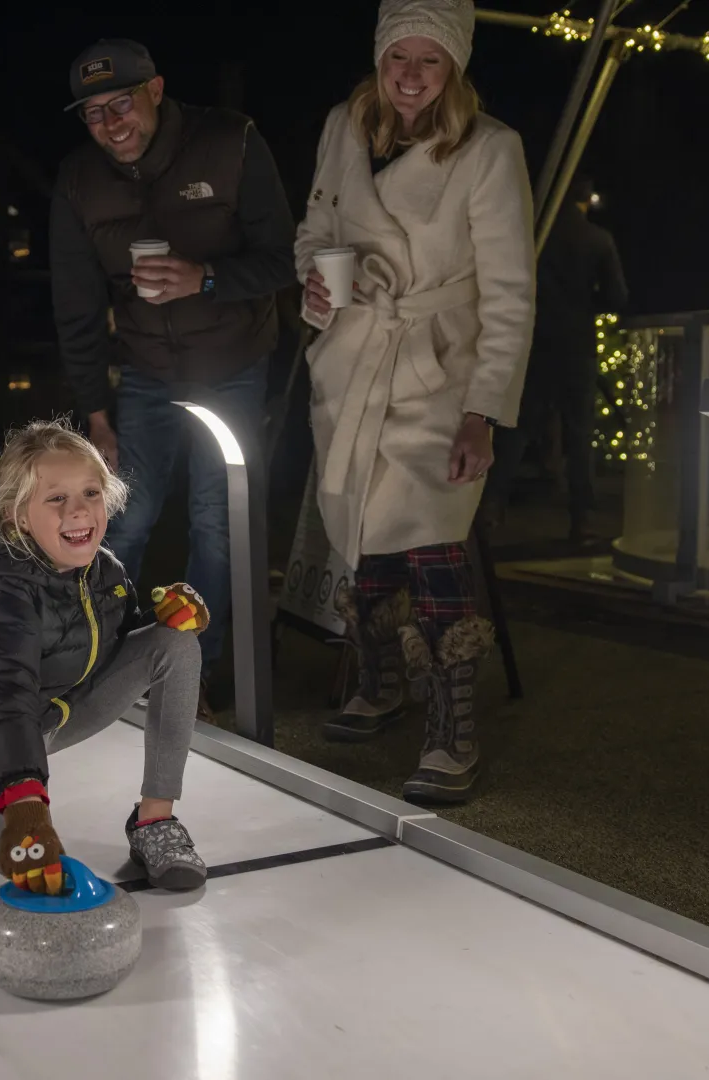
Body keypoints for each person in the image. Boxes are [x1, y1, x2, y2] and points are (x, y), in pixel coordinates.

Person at [293, 0, 536, 805]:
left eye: (430, 61)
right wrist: (315, 287)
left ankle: (453, 729)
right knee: (361, 530)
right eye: (400, 56)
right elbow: (316, 226)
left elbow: (510, 293)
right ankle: (381, 681)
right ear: (380, 57)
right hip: (353, 357)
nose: (411, 76)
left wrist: (483, 412)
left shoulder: (489, 149)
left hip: (439, 370)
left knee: (433, 541)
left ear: (454, 68)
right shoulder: (344, 126)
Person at [48, 37, 298, 713]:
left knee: (217, 522)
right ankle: (98, 663)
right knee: (125, 519)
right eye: (93, 112)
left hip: (233, 364)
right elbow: (75, 308)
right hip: (147, 373)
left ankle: (194, 673)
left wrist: (205, 278)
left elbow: (284, 258)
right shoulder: (78, 180)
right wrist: (96, 417)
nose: (111, 124)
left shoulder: (230, 142)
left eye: (121, 104)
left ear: (155, 91)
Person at [0, 419, 209, 893]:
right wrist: (23, 803)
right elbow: (1, 694)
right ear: (18, 516)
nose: (79, 510)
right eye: (56, 498)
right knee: (29, 867)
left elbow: (110, 641)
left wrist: (166, 617)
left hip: (63, 707)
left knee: (176, 643)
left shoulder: (104, 571)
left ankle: (154, 822)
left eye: (90, 493)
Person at [483, 172, 628, 545]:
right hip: (576, 344)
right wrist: (585, 304)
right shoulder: (597, 239)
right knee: (579, 433)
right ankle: (582, 518)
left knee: (518, 427)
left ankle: (491, 506)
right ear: (585, 198)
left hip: (534, 341)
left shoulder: (535, 235)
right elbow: (617, 297)